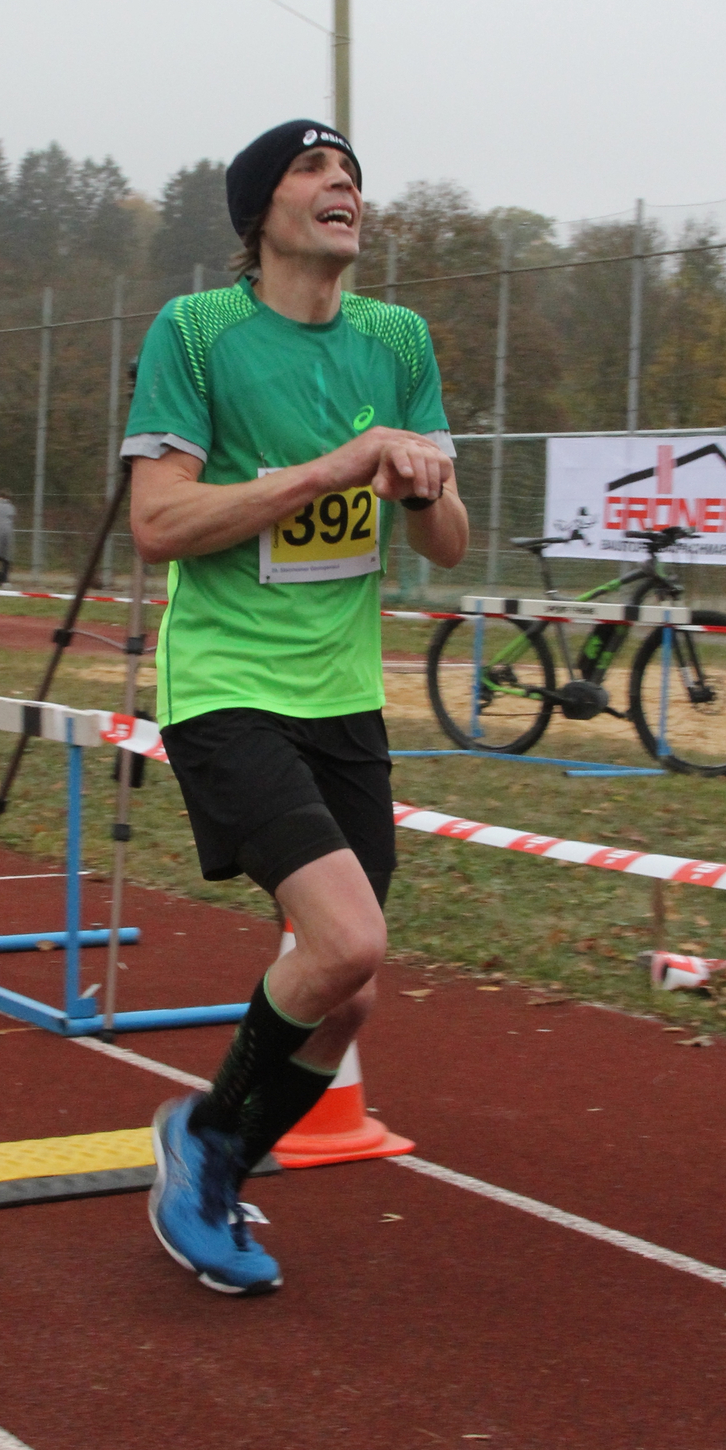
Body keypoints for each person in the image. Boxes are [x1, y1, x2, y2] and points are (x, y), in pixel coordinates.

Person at [125, 119, 467, 1295]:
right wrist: (329, 469)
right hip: (226, 686)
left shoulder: (397, 341)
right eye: (315, 170)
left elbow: (449, 544)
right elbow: (157, 523)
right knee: (347, 941)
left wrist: (418, 486)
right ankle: (207, 1137)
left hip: (343, 698)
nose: (343, 186)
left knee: (349, 996)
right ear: (259, 211)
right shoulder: (196, 332)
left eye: (353, 174)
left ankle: (216, 1162)